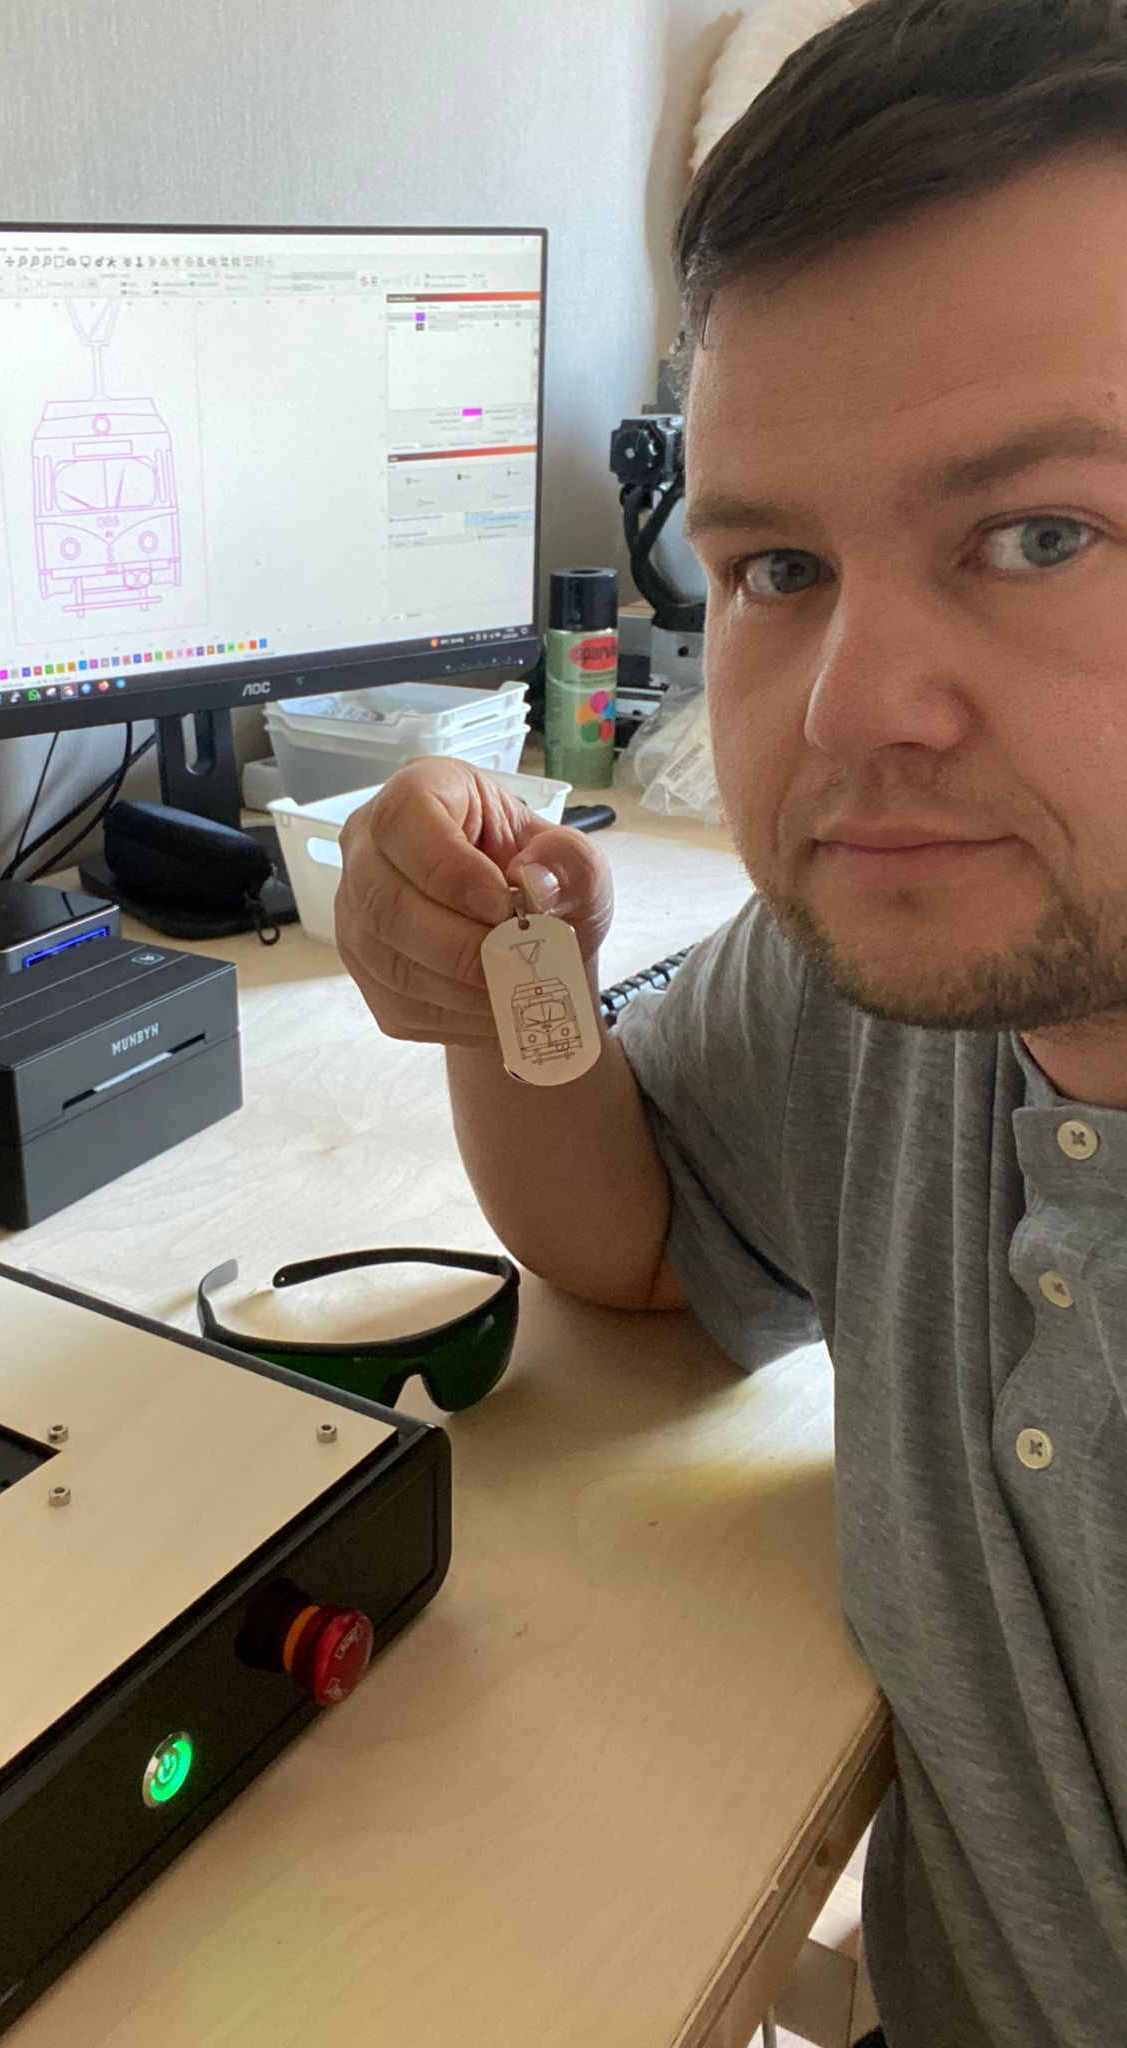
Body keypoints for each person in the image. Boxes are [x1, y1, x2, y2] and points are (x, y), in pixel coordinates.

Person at [333, 3, 1127, 2042]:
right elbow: (642, 1243)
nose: (854, 705)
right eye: (778, 563)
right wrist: (503, 985)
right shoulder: (904, 980)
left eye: (1041, 535)